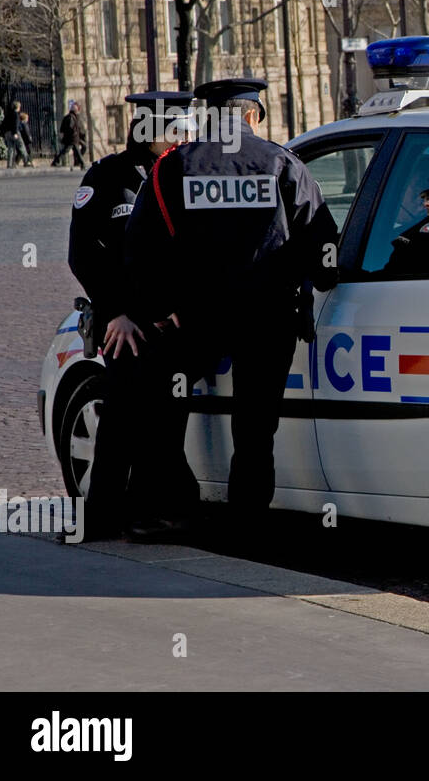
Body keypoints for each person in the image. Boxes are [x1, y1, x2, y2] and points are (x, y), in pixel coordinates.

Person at [122, 77, 340, 538]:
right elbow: (323, 246)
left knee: (164, 406)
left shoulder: (173, 167)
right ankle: (248, 525)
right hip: (269, 318)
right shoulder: (283, 163)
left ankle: (177, 507)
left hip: (197, 318)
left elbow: (140, 248)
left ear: (207, 117)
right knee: (256, 427)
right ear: (251, 117)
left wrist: (161, 305)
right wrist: (320, 281)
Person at [68, 91, 196, 540]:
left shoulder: (189, 174)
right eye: (173, 128)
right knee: (120, 422)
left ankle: (151, 513)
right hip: (127, 328)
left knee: (167, 423)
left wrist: (181, 308)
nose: (181, 136)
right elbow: (84, 255)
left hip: (174, 326)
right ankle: (101, 519)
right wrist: (116, 313)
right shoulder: (108, 177)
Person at [55, 100, 87, 169]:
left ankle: (56, 161)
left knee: (66, 150)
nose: (78, 111)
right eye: (77, 110)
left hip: (73, 138)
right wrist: (74, 134)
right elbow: (71, 128)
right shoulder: (71, 117)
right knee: (75, 151)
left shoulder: (73, 116)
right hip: (72, 138)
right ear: (75, 110)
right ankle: (82, 164)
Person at [3, 100, 32, 168]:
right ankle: (26, 162)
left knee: (10, 149)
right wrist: (15, 133)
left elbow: (3, 124)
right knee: (22, 147)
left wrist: (5, 132)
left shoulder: (8, 114)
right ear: (18, 107)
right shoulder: (16, 114)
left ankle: (9, 164)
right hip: (15, 132)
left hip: (7, 133)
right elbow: (15, 124)